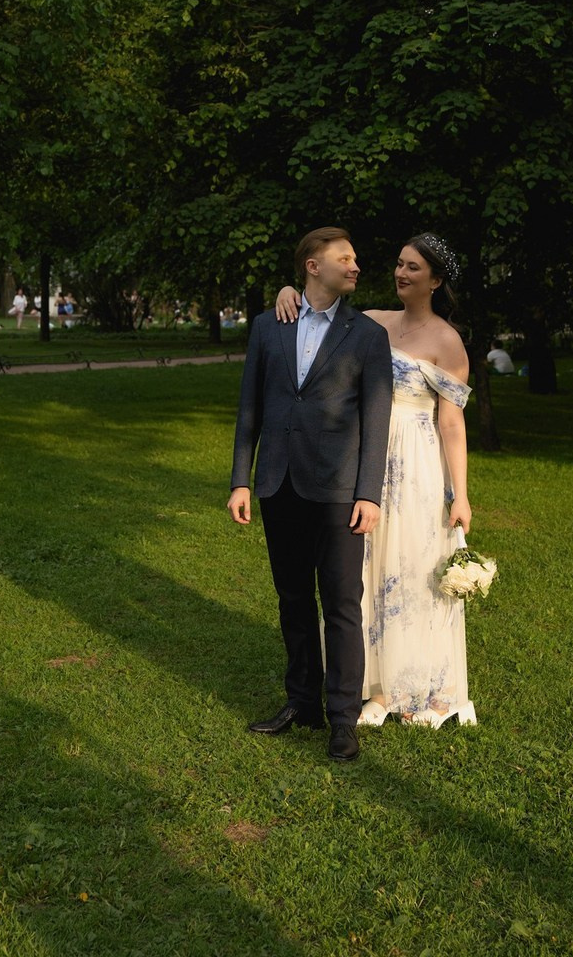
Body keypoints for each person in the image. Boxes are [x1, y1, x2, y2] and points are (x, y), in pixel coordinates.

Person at [275, 232, 476, 728]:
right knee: (362, 571)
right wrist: (289, 294)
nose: (401, 274)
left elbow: (451, 423)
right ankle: (375, 687)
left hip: (416, 465)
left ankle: (419, 686)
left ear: (436, 280)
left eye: (413, 268)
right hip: (363, 460)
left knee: (410, 569)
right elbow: (318, 313)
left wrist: (461, 495)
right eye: (400, 264)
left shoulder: (447, 341)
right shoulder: (374, 321)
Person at [229, 227, 393, 763]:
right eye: (344, 258)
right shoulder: (266, 327)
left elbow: (378, 418)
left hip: (340, 491)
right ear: (311, 267)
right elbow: (249, 408)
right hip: (278, 483)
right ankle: (301, 703)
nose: (356, 266)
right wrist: (241, 478)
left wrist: (369, 492)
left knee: (343, 605)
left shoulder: (367, 335)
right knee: (293, 599)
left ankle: (343, 719)